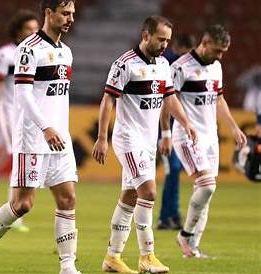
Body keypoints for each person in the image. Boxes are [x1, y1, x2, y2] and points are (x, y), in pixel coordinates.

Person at [0, 1, 81, 274]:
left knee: (67, 198)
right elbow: (23, 95)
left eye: (73, 14)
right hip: (34, 136)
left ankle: (68, 266)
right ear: (49, 13)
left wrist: (58, 128)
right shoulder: (28, 49)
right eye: (65, 13)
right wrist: (46, 127)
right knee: (22, 205)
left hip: (60, 137)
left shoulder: (66, 52)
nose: (70, 19)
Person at [92, 15, 197, 273]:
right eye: (161, 39)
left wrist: (186, 123)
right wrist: (102, 138)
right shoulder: (124, 64)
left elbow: (169, 98)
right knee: (148, 193)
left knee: (128, 198)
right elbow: (108, 100)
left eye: (168, 41)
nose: (165, 45)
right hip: (128, 138)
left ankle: (112, 258)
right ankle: (147, 256)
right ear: (146, 35)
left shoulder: (163, 65)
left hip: (148, 141)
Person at [171, 25, 247, 258]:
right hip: (188, 135)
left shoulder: (216, 67)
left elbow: (219, 99)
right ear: (204, 43)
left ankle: (192, 248)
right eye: (217, 51)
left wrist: (233, 127)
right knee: (207, 186)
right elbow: (168, 100)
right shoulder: (180, 67)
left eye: (223, 52)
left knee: (206, 192)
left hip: (210, 135)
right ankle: (184, 236)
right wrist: (179, 127)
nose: (220, 56)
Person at [0, 9, 40, 233]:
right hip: (10, 113)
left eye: (36, 29)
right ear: (18, 32)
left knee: (24, 157)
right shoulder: (4, 55)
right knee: (19, 156)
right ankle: (15, 210)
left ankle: (16, 207)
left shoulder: (40, 53)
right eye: (29, 29)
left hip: (32, 113)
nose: (34, 33)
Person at [157, 33, 197, 230]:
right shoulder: (169, 65)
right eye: (185, 53)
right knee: (171, 170)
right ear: (177, 49)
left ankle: (172, 215)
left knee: (174, 171)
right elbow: (166, 101)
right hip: (164, 132)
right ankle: (166, 216)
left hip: (176, 130)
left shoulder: (181, 66)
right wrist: (165, 135)